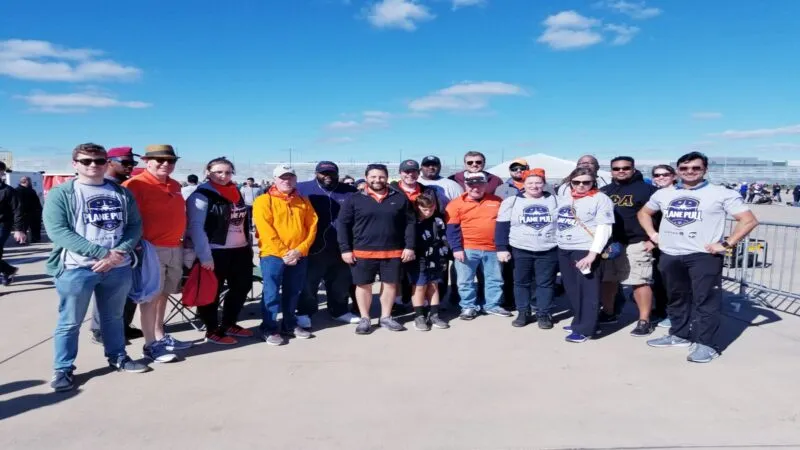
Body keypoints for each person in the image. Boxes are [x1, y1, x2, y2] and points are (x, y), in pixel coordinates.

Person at [44, 143, 148, 392]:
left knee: (113, 317)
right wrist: (102, 253)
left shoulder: (121, 193)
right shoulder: (63, 193)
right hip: (77, 268)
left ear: (106, 163)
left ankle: (118, 356)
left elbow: (134, 226)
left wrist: (117, 254)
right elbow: (58, 231)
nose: (93, 165)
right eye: (86, 161)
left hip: (118, 267)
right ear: (75, 164)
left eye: (99, 161)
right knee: (70, 322)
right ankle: (63, 368)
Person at [639, 152, 759, 363]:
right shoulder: (664, 194)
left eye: (696, 168)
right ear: (677, 171)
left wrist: (726, 243)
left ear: (705, 169)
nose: (690, 172)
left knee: (706, 301)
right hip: (670, 254)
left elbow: (748, 220)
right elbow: (644, 213)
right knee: (676, 298)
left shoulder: (721, 193)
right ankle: (679, 334)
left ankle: (706, 344)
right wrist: (653, 234)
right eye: (684, 168)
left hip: (703, 256)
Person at [123, 145, 192, 363]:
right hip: (149, 249)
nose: (166, 164)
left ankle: (160, 335)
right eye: (160, 160)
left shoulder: (174, 184)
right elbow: (126, 220)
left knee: (164, 294)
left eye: (170, 160)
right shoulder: (135, 185)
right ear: (147, 161)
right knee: (150, 298)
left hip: (174, 247)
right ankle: (150, 345)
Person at [337, 163, 416, 334]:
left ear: (387, 178)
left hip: (393, 251)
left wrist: (410, 246)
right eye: (373, 176)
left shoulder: (400, 198)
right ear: (366, 178)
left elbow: (410, 223)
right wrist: (345, 249)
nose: (377, 180)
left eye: (381, 176)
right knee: (363, 285)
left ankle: (386, 317)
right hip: (362, 251)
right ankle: (365, 318)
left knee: (390, 285)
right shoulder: (354, 199)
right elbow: (343, 224)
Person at [186, 157, 254, 345]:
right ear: (208, 173)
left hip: (240, 249)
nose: (223, 176)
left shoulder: (235, 191)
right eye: (218, 172)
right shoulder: (201, 195)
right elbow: (196, 227)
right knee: (212, 291)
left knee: (242, 286)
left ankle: (229, 323)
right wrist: (205, 255)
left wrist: (248, 246)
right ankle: (212, 329)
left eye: (228, 172)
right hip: (215, 251)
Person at [253, 164, 318, 345]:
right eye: (282, 177)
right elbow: (265, 229)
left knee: (293, 291)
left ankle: (289, 324)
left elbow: (312, 227)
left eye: (290, 177)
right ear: (275, 179)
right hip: (273, 255)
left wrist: (299, 250)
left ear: (295, 180)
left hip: (299, 255)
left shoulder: (303, 200)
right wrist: (284, 253)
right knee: (271, 292)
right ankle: (269, 327)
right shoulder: (264, 201)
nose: (286, 181)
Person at [296, 161, 360, 329]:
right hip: (313, 246)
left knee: (341, 281)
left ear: (337, 174)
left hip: (342, 246)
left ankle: (339, 311)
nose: (327, 176)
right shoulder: (302, 188)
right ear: (316, 173)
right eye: (323, 173)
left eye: (331, 173)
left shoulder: (350, 191)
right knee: (309, 282)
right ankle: (304, 311)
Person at [598, 157, 658, 337]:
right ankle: (608, 313)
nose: (621, 171)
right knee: (608, 281)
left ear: (633, 169)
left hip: (637, 242)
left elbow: (661, 217)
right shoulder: (605, 191)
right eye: (616, 168)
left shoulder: (648, 190)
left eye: (625, 168)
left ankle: (644, 320)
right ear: (611, 171)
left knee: (639, 281)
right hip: (610, 243)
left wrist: (653, 240)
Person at [90, 146, 143, 344]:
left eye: (132, 163)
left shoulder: (125, 186)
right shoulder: (103, 186)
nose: (130, 167)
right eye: (125, 162)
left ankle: (123, 326)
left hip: (129, 247)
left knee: (127, 290)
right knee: (107, 292)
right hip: (106, 249)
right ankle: (100, 330)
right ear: (109, 162)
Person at [555, 167, 616, 343]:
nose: (581, 185)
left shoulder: (601, 199)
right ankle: (581, 321)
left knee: (588, 290)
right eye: (576, 182)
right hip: (564, 248)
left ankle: (586, 328)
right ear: (570, 182)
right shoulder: (566, 197)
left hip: (584, 249)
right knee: (572, 288)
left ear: (593, 182)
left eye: (586, 182)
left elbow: (604, 228)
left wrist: (592, 254)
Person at [495, 170, 559, 329]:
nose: (534, 186)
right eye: (530, 183)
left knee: (545, 283)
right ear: (524, 184)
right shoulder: (512, 201)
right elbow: (502, 225)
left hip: (548, 248)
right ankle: (523, 312)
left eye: (538, 182)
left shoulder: (555, 200)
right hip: (520, 248)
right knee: (521, 283)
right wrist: (501, 248)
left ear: (544, 184)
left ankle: (543, 313)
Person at [446, 172, 509, 320]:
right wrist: (456, 248)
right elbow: (452, 229)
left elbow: (504, 225)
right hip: (467, 248)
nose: (476, 188)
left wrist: (503, 247)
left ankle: (492, 305)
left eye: (480, 184)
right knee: (465, 281)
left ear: (486, 185)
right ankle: (468, 306)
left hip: (493, 248)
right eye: (471, 185)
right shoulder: (456, 203)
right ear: (466, 185)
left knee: (495, 279)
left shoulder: (497, 201)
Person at [407, 193, 450, 331]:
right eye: (424, 209)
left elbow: (443, 238)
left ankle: (434, 314)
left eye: (431, 209)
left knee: (434, 285)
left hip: (435, 256)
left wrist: (444, 254)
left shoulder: (437, 220)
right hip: (418, 257)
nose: (428, 212)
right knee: (420, 286)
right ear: (417, 207)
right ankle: (419, 316)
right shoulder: (412, 221)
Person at [649, 165, 676, 328]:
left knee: (674, 282)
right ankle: (661, 311)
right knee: (659, 279)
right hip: (658, 243)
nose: (661, 177)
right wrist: (652, 236)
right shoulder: (655, 194)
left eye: (665, 174)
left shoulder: (679, 193)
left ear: (674, 176)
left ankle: (674, 314)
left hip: (675, 243)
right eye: (657, 175)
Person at [0, 161, 27, 285]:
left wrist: (18, 229)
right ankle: (7, 270)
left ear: (2, 172)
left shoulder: (8, 191)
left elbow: (18, 210)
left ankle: (7, 270)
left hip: (2, 225)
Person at [16, 176, 43, 244]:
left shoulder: (30, 190)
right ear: (26, 181)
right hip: (25, 213)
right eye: (30, 181)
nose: (31, 183)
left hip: (33, 212)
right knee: (23, 228)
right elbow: (20, 203)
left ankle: (35, 239)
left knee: (35, 227)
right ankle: (22, 240)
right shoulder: (18, 190)